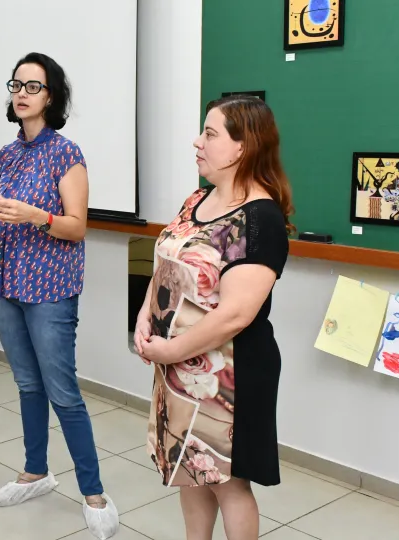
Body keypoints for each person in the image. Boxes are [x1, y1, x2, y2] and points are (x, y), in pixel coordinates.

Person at [0, 52, 119, 539]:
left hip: (50, 289)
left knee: (62, 390)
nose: (21, 93)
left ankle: (93, 492)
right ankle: (36, 470)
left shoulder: (65, 153)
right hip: (5, 281)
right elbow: (2, 222)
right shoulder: (8, 154)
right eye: (16, 84)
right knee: (27, 384)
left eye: (33, 86)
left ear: (51, 97)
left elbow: (77, 226)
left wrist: (37, 217)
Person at [134, 95, 293, 540]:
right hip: (179, 366)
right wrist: (146, 315)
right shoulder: (197, 199)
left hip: (230, 372)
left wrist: (171, 348)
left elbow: (235, 315)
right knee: (190, 466)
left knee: (227, 480)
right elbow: (167, 262)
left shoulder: (261, 220)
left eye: (210, 134)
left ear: (242, 147)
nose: (197, 142)